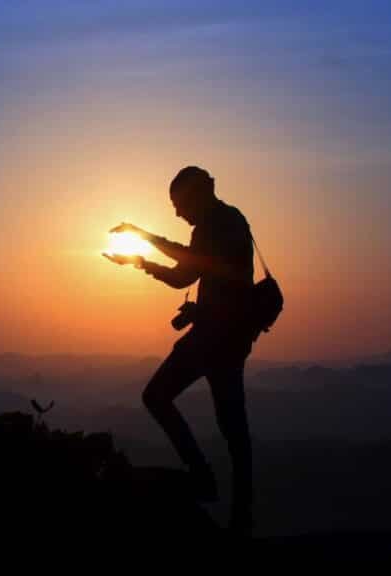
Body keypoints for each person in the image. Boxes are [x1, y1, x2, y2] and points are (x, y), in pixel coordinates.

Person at [104, 166, 255, 535]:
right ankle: (236, 511)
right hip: (221, 336)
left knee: (160, 397)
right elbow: (190, 273)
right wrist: (142, 258)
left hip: (216, 338)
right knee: (232, 426)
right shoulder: (225, 222)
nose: (177, 212)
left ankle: (207, 482)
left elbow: (186, 272)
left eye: (178, 204)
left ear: (195, 196)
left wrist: (141, 243)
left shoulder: (218, 225)